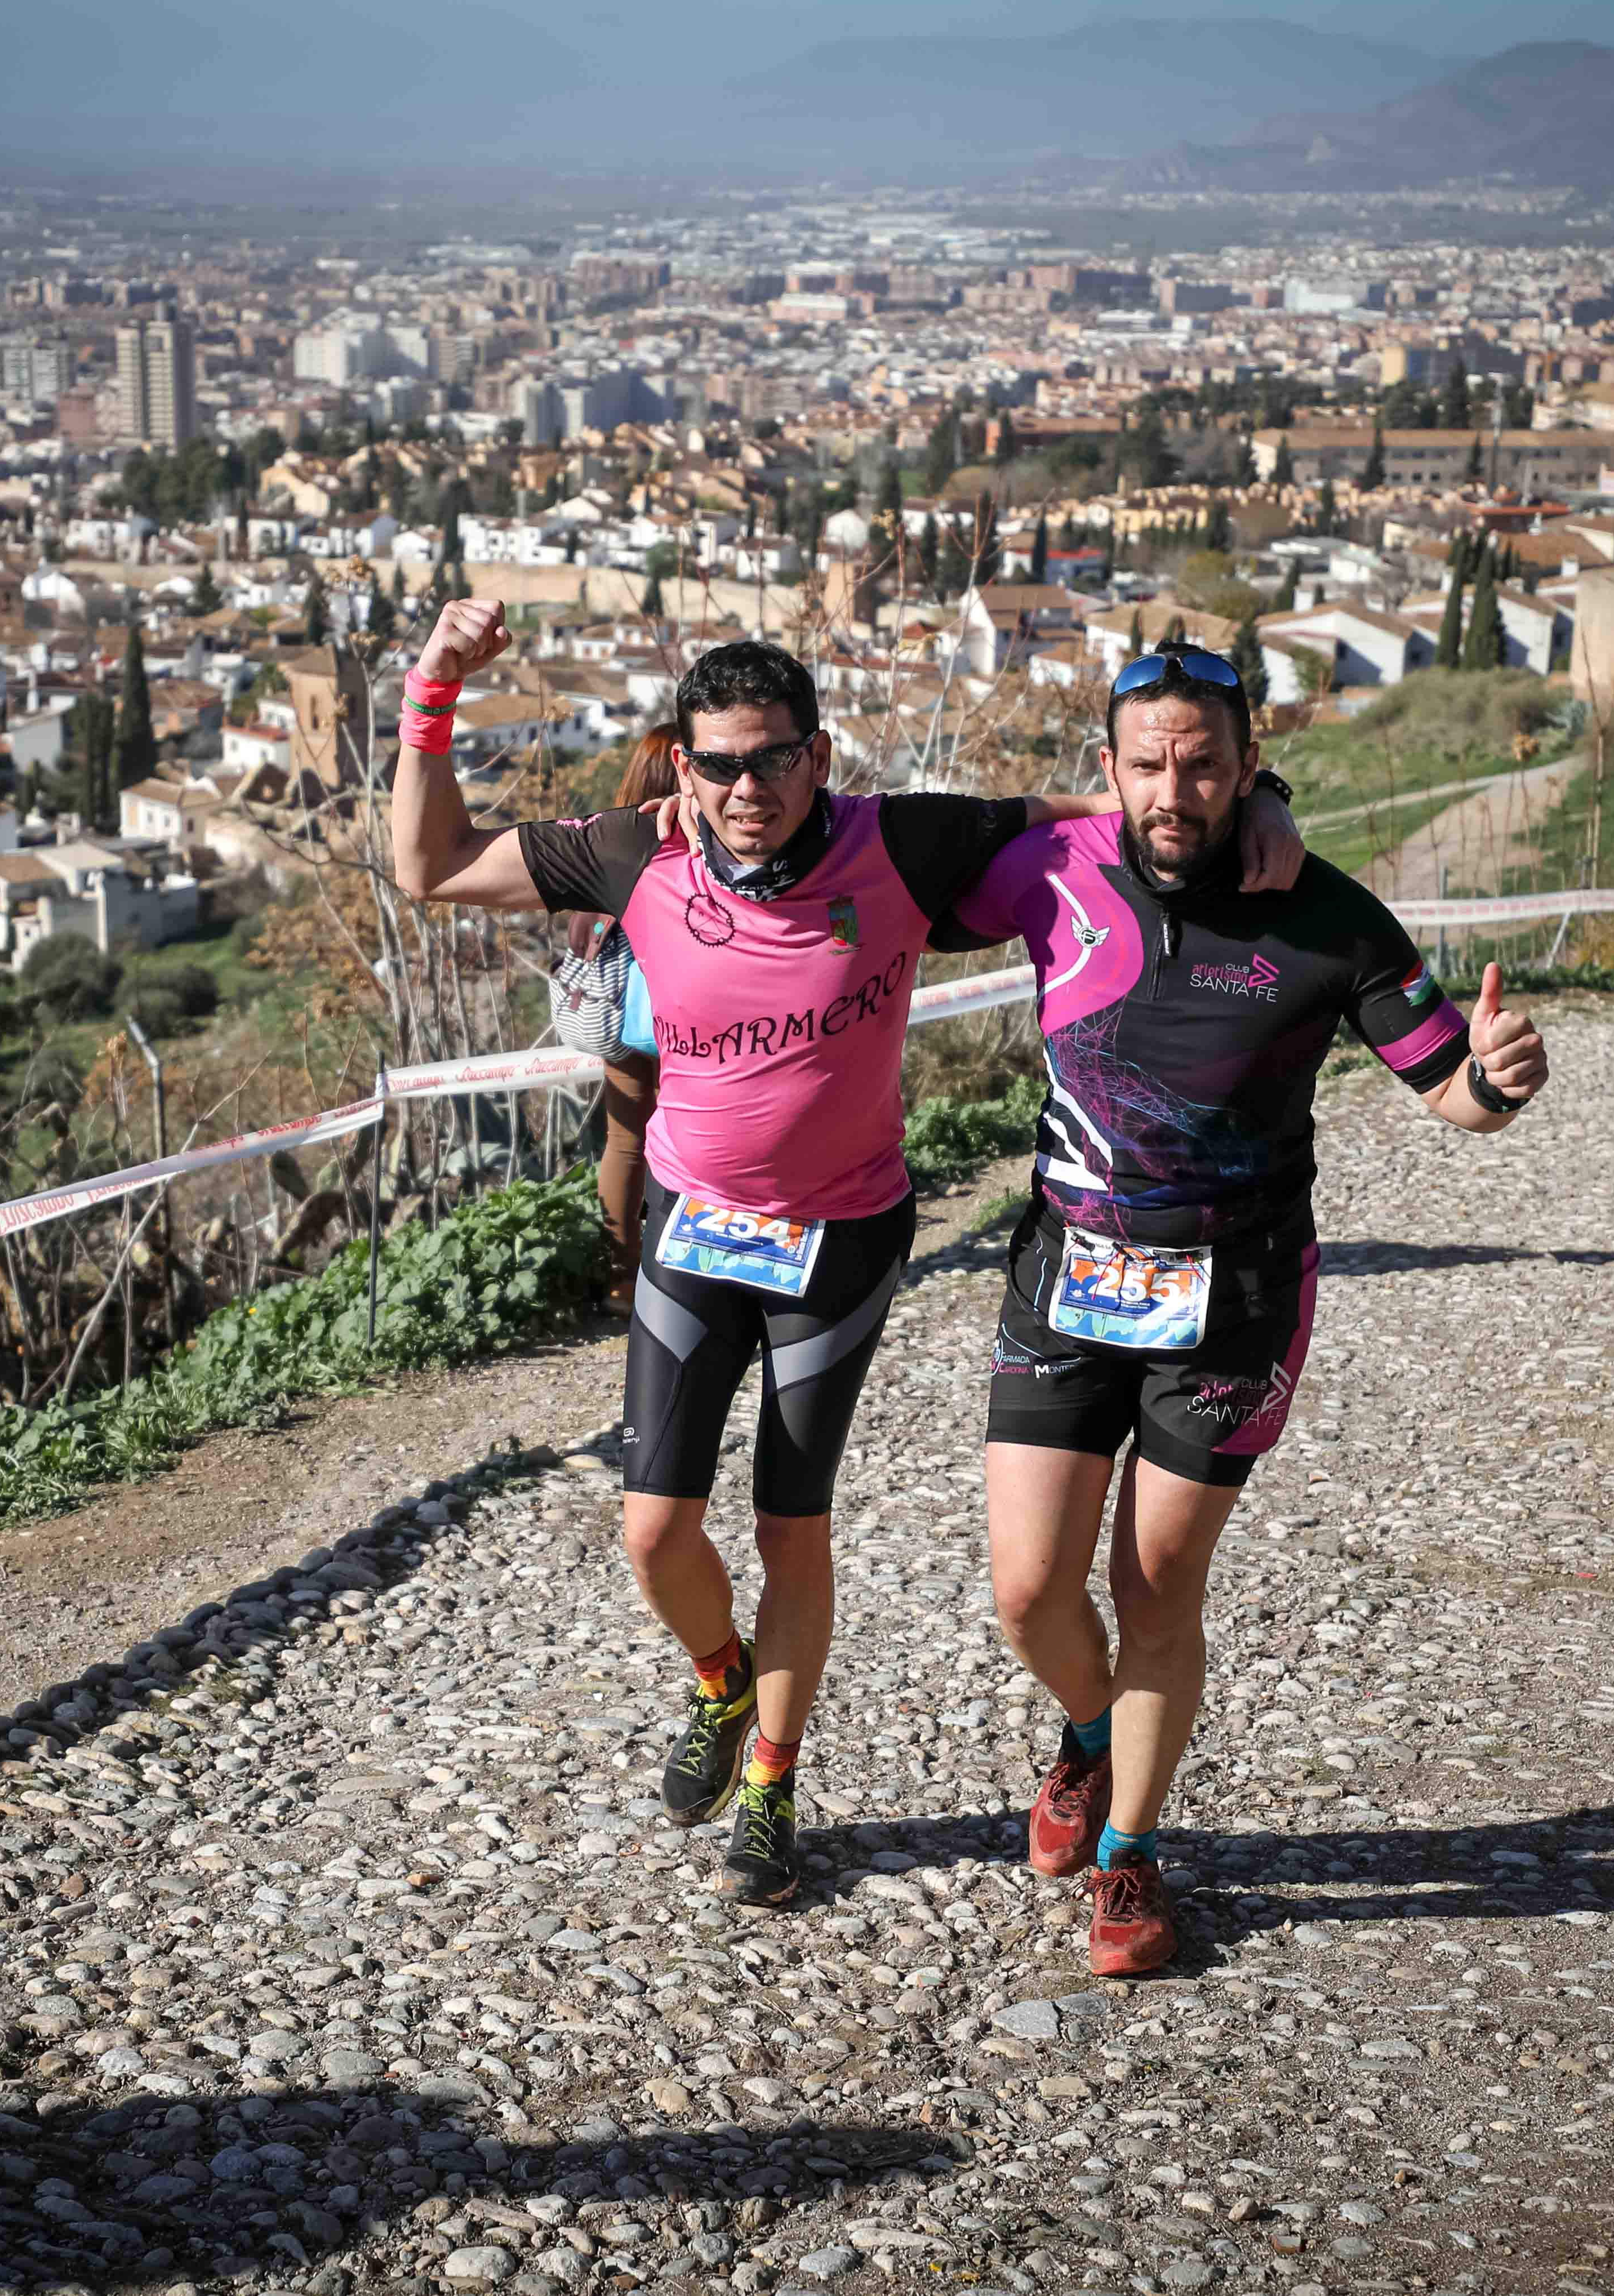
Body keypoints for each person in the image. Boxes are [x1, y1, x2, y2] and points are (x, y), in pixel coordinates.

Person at [389, 604, 1304, 1904]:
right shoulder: (634, 852)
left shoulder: (902, 843)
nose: (746, 789)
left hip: (843, 1236)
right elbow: (428, 864)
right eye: (718, 765)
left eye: (773, 758)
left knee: (789, 1523)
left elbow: (1107, 808)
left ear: (817, 756)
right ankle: (720, 1682)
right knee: (653, 1529)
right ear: (682, 764)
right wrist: (431, 690)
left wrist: (1260, 796)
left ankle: (771, 1779)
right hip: (696, 1224)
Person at [932, 639, 1549, 1975]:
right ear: (1106, 769)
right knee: (1028, 1590)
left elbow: (1448, 1086)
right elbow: (873, 867)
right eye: (1147, 765)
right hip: (1067, 1271)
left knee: (1155, 1584)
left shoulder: (1326, 914)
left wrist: (1496, 1079)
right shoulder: (1048, 870)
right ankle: (1090, 1734)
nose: (1175, 792)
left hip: (1237, 1292)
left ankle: (1130, 1851)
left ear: (1248, 765)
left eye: (1205, 766)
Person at [571, 727, 679, 1298]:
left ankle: (622, 1277)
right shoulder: (688, 843)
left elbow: (580, 934)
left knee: (625, 1141)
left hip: (619, 1016)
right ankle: (687, 1270)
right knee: (692, 1135)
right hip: (683, 1016)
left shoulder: (605, 841)